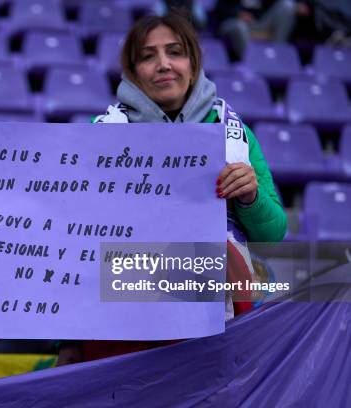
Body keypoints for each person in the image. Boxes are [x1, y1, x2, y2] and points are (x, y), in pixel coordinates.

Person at [57, 12, 287, 365]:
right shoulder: (100, 134)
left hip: (216, 323)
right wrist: (67, 342)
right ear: (133, 72)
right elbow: (69, 241)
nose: (164, 65)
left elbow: (273, 235)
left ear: (193, 63)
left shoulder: (234, 134)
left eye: (175, 52)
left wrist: (249, 197)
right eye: (148, 56)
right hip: (120, 323)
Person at [214, 0, 300, 59]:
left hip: (258, 24)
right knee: (240, 27)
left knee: (287, 5)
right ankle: (252, 61)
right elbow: (220, 9)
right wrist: (238, 14)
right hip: (233, 21)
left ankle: (276, 54)